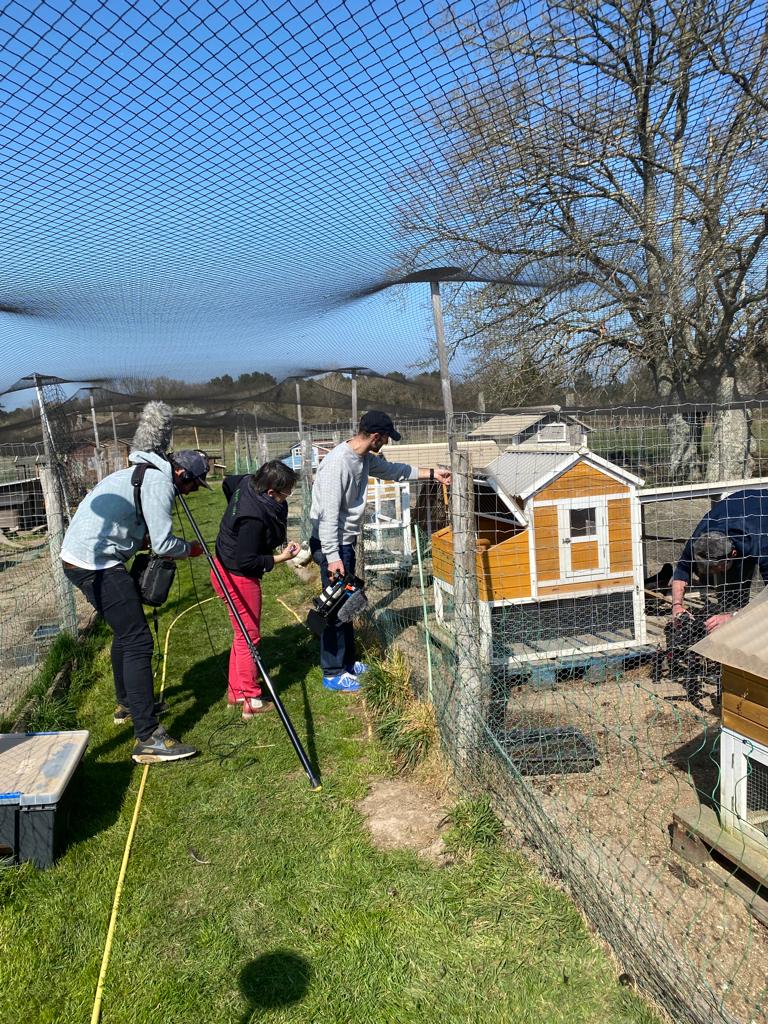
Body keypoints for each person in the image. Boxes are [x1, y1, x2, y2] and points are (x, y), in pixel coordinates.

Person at [61, 448, 210, 763]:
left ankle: (128, 704)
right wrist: (191, 550)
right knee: (138, 639)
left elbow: (128, 519)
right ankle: (148, 737)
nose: (193, 491)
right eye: (194, 484)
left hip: (83, 557)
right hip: (95, 564)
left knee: (125, 631)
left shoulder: (141, 473)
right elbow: (163, 544)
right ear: (181, 474)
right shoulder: (160, 483)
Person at [310, 410, 452, 692]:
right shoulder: (338, 463)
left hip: (343, 542)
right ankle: (333, 672)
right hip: (332, 544)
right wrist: (333, 557)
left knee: (347, 606)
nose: (387, 443)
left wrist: (433, 474)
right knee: (335, 608)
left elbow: (392, 471)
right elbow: (326, 516)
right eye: (386, 437)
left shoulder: (362, 458)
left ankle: (348, 664)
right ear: (376, 436)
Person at [211, 460, 300, 719]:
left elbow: (228, 484)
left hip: (222, 564)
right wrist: (281, 558)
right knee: (250, 636)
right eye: (286, 493)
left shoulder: (247, 481)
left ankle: (236, 691)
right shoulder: (253, 518)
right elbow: (246, 561)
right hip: (238, 576)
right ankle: (252, 699)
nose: (288, 497)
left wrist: (232, 520)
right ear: (271, 492)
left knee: (241, 633)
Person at [671, 488, 768, 633]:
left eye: (718, 568)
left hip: (760, 519)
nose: (714, 573)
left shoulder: (761, 544)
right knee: (731, 598)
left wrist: (733, 617)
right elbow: (682, 570)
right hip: (738, 512)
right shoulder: (699, 540)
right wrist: (677, 605)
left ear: (733, 554)